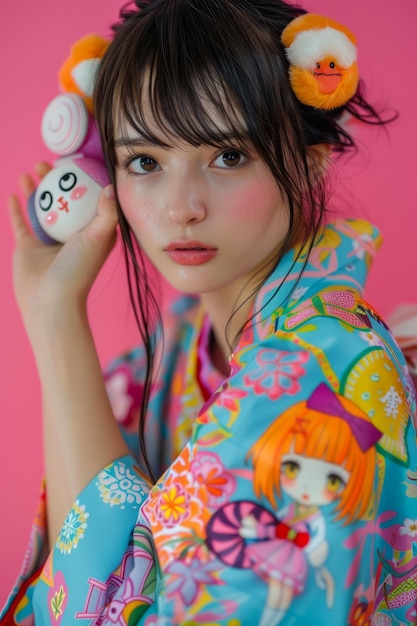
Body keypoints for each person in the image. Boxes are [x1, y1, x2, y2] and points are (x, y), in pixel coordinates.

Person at [1, 0, 417, 624]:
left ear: (309, 163)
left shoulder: (321, 372)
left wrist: (56, 322)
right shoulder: (161, 363)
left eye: (228, 156)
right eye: (144, 161)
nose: (181, 207)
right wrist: (52, 304)